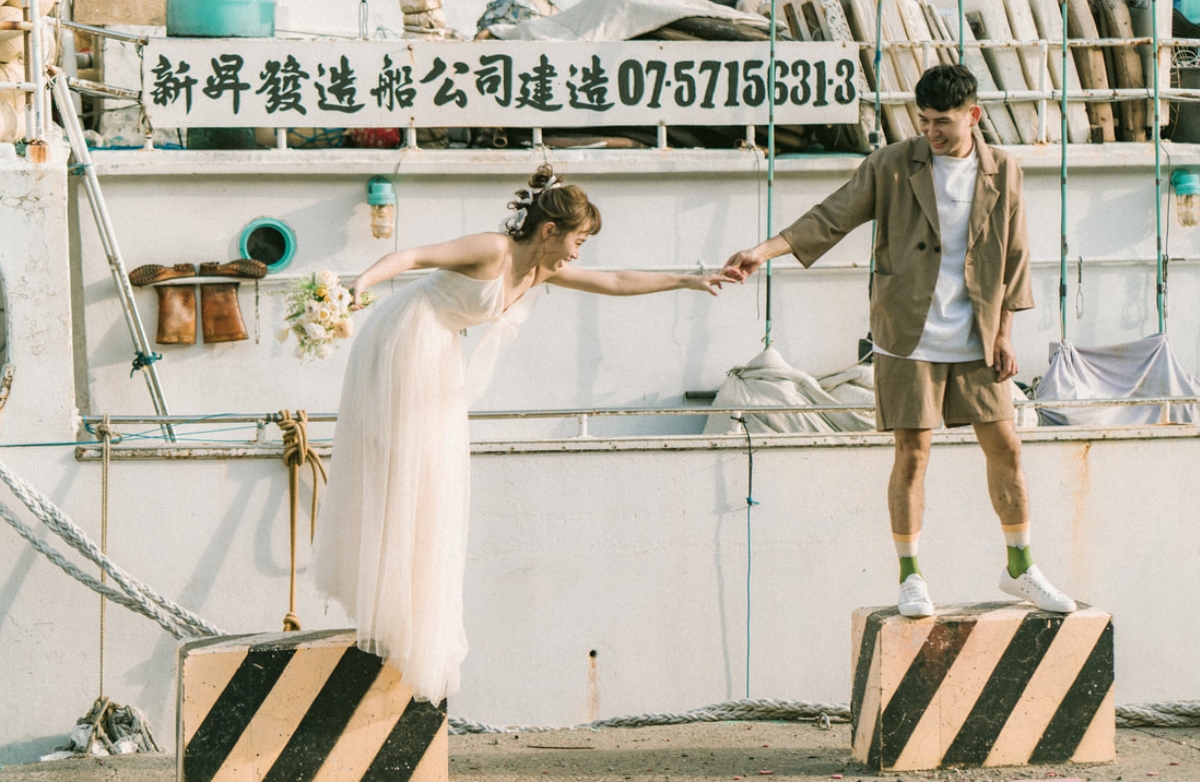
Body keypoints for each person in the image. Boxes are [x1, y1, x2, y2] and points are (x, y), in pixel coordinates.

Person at [313, 164, 736, 704]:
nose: (579, 255)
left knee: (436, 479)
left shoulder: (541, 272)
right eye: (578, 241)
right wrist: (360, 285)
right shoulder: (493, 250)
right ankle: (387, 591)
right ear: (548, 231)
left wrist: (687, 279)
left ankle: (405, 607)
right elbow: (413, 257)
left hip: (438, 350)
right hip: (405, 338)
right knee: (417, 469)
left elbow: (615, 282)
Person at [722, 64, 1075, 619]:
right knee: (913, 454)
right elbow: (831, 216)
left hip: (977, 335)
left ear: (973, 116)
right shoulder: (890, 165)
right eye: (925, 121)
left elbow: (1015, 253)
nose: (931, 133)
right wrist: (761, 253)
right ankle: (911, 577)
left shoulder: (1003, 169)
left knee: (1007, 447)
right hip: (908, 335)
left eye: (944, 123)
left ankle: (1021, 568)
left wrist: (1006, 331)